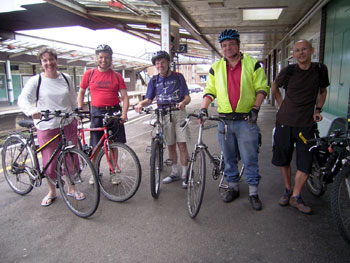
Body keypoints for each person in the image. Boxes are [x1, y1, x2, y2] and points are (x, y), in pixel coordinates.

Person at [200, 29, 269, 211]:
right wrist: (203, 109)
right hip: (224, 121)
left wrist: (255, 109)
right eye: (224, 45)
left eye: (231, 44)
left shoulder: (252, 64)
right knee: (229, 158)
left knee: (249, 157)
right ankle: (233, 187)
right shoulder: (216, 68)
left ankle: (253, 192)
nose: (227, 48)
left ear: (238, 45)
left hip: (246, 120)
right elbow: (210, 91)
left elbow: (262, 88)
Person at [18, 47, 82, 207]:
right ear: (41, 62)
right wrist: (32, 111)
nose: (49, 63)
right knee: (51, 160)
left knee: (70, 157)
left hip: (67, 123)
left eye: (51, 59)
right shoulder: (36, 81)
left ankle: (71, 188)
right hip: (47, 126)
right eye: (45, 60)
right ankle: (52, 191)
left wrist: (76, 114)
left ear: (56, 60)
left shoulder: (66, 78)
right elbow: (23, 99)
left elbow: (73, 100)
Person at [272, 39, 329, 214]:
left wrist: (318, 109)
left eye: (304, 49)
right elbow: (274, 86)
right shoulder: (289, 71)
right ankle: (288, 189)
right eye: (297, 51)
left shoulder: (319, 70)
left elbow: (323, 91)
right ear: (293, 55)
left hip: (306, 125)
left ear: (312, 51)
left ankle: (296, 196)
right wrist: (281, 104)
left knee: (305, 162)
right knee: (284, 158)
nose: (301, 53)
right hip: (284, 123)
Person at [134, 50, 191, 187]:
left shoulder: (178, 77)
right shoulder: (154, 80)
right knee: (170, 146)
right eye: (157, 63)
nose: (160, 65)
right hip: (163, 115)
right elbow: (149, 99)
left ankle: (185, 174)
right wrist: (141, 104)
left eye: (162, 62)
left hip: (178, 113)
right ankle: (174, 172)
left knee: (182, 145)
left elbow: (187, 97)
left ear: (168, 63)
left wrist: (183, 103)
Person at [77, 44, 129, 185]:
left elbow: (125, 97)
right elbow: (81, 91)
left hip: (113, 111)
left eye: (106, 57)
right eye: (101, 57)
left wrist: (124, 114)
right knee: (96, 145)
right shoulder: (90, 74)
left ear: (110, 59)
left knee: (113, 144)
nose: (103, 60)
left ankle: (113, 171)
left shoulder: (117, 76)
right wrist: (80, 108)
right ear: (96, 58)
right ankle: (95, 172)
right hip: (96, 112)